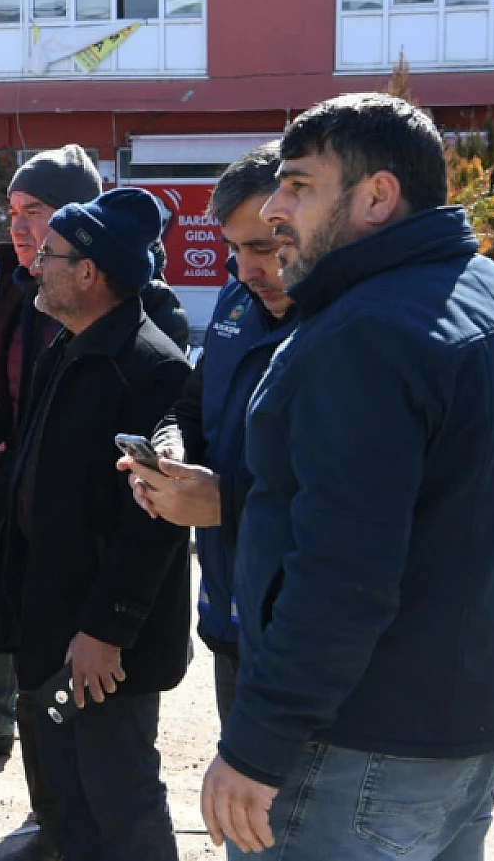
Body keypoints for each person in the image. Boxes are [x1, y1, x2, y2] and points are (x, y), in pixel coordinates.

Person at [201, 94, 494, 860]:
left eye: (299, 185)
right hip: (474, 734)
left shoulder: (364, 334)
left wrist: (256, 744)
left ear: (377, 196)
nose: (276, 208)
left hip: (358, 752)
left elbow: (340, 571)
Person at [0, 187, 191, 861]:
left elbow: (154, 524)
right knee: (68, 800)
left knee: (120, 799)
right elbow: (24, 467)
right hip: (49, 624)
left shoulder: (150, 367)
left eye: (50, 254)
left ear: (89, 272)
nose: (36, 264)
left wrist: (105, 630)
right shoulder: (68, 348)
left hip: (103, 647)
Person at [118, 143, 294, 725]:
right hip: (231, 614)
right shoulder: (237, 301)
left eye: (263, 248)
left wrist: (227, 504)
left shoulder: (348, 325)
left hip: (307, 631)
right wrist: (170, 447)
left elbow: (363, 498)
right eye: (234, 249)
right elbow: (193, 406)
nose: (245, 269)